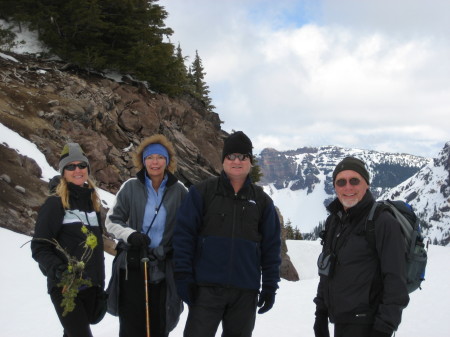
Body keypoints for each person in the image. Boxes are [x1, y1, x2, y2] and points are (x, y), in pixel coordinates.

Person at [173, 131, 282, 337]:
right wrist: (183, 276)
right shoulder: (202, 192)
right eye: (231, 156)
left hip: (245, 291)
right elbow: (183, 237)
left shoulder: (262, 201)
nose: (237, 161)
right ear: (223, 160)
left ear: (250, 162)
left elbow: (271, 247)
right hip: (205, 289)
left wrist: (269, 285)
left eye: (243, 157)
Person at [313, 157, 410, 337]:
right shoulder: (335, 220)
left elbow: (396, 280)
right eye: (341, 182)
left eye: (354, 181)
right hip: (340, 321)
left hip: (369, 324)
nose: (347, 187)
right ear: (334, 187)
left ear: (366, 184)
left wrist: (384, 328)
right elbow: (326, 270)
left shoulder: (382, 222)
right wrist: (320, 314)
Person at [105, 134, 187, 337]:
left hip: (163, 264)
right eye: (150, 157)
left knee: (160, 322)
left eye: (160, 157)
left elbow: (189, 226)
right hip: (133, 263)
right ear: (143, 161)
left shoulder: (179, 191)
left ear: (168, 161)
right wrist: (131, 235)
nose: (155, 162)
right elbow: (112, 221)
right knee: (132, 323)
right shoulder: (131, 187)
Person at [31, 142, 105, 337]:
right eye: (71, 166)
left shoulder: (92, 204)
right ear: (63, 171)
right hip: (64, 286)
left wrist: (99, 283)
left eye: (81, 165)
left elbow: (95, 249)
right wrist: (60, 271)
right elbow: (40, 247)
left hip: (89, 286)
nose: (77, 170)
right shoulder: (55, 203)